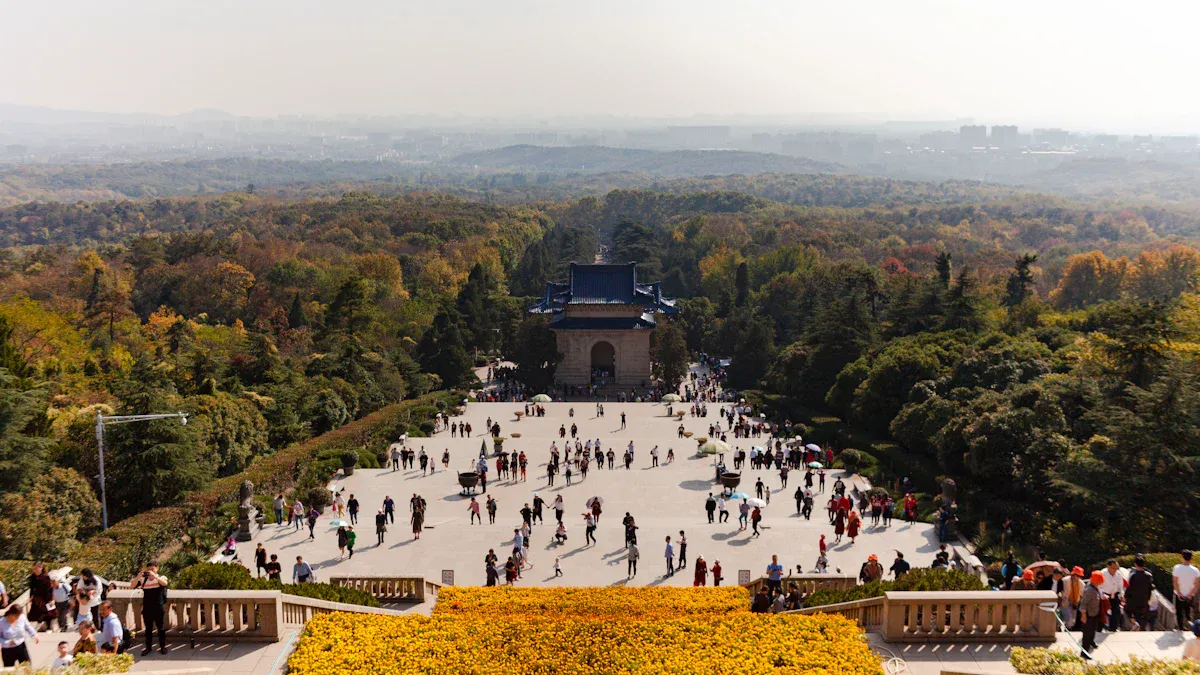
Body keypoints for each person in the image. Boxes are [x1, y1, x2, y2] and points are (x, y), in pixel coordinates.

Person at [132, 561, 169, 656]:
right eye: (148, 569)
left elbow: (164, 583)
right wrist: (138, 577)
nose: (150, 571)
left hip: (158, 607)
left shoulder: (161, 578)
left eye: (152, 569)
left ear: (157, 569)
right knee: (148, 629)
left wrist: (155, 576)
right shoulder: (143, 580)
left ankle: (163, 647)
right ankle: (148, 647)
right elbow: (132, 586)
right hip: (147, 607)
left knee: (160, 628)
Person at [1126, 555, 1155, 631]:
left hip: (1133, 600)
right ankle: (1138, 626)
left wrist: (1126, 597)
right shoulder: (1148, 576)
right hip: (1144, 600)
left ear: (1135, 564)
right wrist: (1148, 598)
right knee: (1140, 615)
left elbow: (1129, 588)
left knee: (1127, 610)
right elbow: (1150, 588)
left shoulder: (1133, 575)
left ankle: (1135, 623)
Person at [1080, 571, 1103, 659]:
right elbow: (1083, 604)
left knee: (1092, 631)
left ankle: (1091, 642)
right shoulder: (1089, 590)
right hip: (1088, 615)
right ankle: (1084, 652)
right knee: (1087, 633)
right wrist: (1083, 615)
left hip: (1094, 614)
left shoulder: (1095, 587)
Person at [1175, 550, 1199, 631]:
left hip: (1179, 595)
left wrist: (1178, 593)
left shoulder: (1177, 568)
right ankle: (1191, 626)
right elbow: (1196, 585)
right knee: (1188, 612)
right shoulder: (1195, 570)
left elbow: (1175, 582)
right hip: (1189, 595)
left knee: (1179, 613)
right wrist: (1191, 594)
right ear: (1191, 558)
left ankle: (1180, 628)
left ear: (1182, 557)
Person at [1100, 559, 1126, 632]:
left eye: (1116, 568)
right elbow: (1099, 586)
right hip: (1104, 594)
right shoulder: (1103, 573)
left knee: (1116, 611)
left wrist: (1122, 594)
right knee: (1102, 612)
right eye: (1113, 568)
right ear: (1108, 566)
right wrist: (1102, 594)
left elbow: (1121, 586)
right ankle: (1100, 627)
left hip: (1114, 594)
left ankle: (1113, 628)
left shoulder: (1118, 574)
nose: (1115, 570)